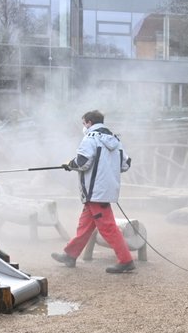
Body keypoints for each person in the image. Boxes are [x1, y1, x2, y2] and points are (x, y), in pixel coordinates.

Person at [51, 110, 135, 273]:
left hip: (94, 192)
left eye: (83, 123)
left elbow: (82, 162)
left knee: (108, 227)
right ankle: (70, 254)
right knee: (85, 225)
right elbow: (126, 164)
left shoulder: (89, 139)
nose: (83, 127)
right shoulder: (115, 140)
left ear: (89, 123)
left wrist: (70, 164)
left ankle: (126, 260)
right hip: (104, 191)